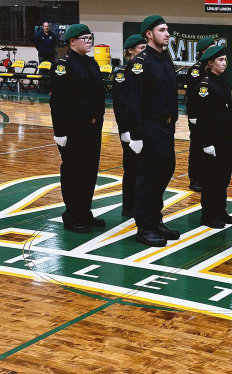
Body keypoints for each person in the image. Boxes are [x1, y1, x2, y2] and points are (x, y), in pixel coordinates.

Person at [126, 15, 181, 247]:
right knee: (148, 178)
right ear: (149, 34)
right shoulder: (140, 62)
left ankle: (155, 219)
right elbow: (133, 102)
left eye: (167, 30)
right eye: (162, 30)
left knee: (164, 172)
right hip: (149, 128)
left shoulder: (165, 59)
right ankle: (144, 227)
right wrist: (136, 135)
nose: (167, 34)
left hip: (166, 127)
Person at [49, 24, 106, 233]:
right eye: (84, 38)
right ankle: (73, 216)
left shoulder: (91, 63)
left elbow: (98, 95)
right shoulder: (63, 66)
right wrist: (59, 132)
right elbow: (58, 102)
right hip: (73, 129)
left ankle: (85, 212)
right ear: (72, 42)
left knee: (89, 172)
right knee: (74, 172)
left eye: (90, 38)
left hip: (92, 127)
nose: (89, 41)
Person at [189, 45, 232, 228]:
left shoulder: (221, 81)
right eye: (220, 60)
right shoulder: (205, 86)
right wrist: (207, 143)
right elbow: (202, 118)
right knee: (212, 179)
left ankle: (220, 211)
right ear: (210, 63)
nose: (224, 63)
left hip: (226, 138)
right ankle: (208, 215)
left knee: (223, 179)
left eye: (225, 59)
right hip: (213, 140)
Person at [112, 34, 146, 218]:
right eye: (141, 48)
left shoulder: (142, 70)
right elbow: (121, 104)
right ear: (130, 51)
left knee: (143, 168)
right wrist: (124, 129)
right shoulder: (122, 72)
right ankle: (129, 206)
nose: (144, 52)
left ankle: (140, 204)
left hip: (142, 127)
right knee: (131, 168)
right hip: (129, 129)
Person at [185, 36, 216, 193]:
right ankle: (195, 178)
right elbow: (192, 96)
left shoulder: (213, 68)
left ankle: (206, 175)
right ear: (203, 51)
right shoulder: (196, 70)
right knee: (197, 146)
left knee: (209, 145)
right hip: (197, 116)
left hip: (210, 117)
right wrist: (193, 116)